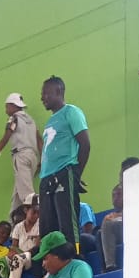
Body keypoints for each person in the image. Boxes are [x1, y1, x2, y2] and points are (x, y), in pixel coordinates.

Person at [38, 76, 90, 248]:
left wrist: (76, 175)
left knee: (67, 225)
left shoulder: (71, 112)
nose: (42, 97)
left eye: (46, 93)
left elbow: (85, 144)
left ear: (58, 91)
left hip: (64, 172)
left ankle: (74, 256)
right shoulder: (50, 121)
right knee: (47, 229)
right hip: (46, 178)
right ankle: (52, 261)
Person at [0, 94, 39, 219]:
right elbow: (39, 140)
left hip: (21, 156)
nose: (6, 110)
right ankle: (13, 223)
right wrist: (41, 159)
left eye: (7, 107)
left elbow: (6, 137)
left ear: (13, 106)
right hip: (33, 157)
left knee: (28, 196)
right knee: (18, 196)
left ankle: (38, 221)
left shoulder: (14, 118)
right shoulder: (30, 121)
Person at [7, 196, 42, 278]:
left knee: (17, 259)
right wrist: (12, 252)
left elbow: (36, 247)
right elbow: (14, 246)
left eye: (38, 213)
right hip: (20, 254)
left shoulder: (40, 225)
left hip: (32, 257)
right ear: (26, 210)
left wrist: (19, 254)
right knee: (2, 260)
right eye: (34, 212)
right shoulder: (18, 227)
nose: (36, 215)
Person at [100, 184, 124, 272]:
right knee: (99, 233)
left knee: (107, 224)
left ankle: (110, 265)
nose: (115, 198)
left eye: (119, 194)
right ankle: (105, 267)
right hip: (118, 234)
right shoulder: (111, 216)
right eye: (113, 195)